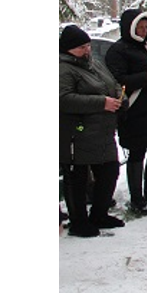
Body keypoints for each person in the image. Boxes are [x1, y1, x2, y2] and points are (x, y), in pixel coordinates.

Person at [105, 9, 147, 216]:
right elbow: (118, 80)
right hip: (136, 110)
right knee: (137, 153)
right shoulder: (118, 51)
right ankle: (137, 199)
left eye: (146, 27)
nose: (144, 31)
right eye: (140, 27)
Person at [60, 25, 126, 237]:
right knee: (77, 177)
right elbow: (63, 99)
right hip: (77, 131)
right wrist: (101, 103)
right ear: (68, 49)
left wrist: (119, 96)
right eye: (81, 47)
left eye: (87, 45)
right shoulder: (62, 69)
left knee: (109, 171)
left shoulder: (94, 64)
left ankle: (99, 213)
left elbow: (112, 84)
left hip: (103, 130)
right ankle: (79, 221)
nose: (86, 50)